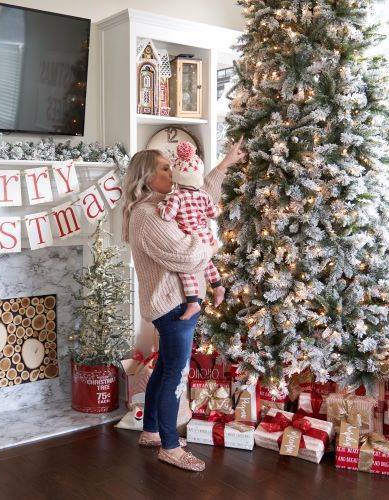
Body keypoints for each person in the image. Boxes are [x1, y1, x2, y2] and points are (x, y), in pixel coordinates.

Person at [121, 140, 245, 471]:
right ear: (147, 177)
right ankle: (170, 447)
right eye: (165, 167)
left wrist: (225, 164)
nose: (172, 172)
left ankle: (151, 431)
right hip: (173, 307)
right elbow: (187, 255)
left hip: (172, 304)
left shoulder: (163, 204)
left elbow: (200, 196)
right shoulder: (148, 215)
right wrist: (209, 241)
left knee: (163, 369)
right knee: (175, 375)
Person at [158, 141, 225, 320]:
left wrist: (161, 205)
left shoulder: (176, 197)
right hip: (205, 235)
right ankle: (218, 286)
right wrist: (218, 209)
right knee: (208, 263)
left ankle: (192, 302)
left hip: (191, 237)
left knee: (186, 270)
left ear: (178, 176)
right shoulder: (204, 195)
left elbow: (167, 216)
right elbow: (213, 213)